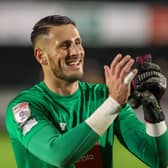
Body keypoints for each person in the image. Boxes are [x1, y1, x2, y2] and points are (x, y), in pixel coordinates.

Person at [6, 15, 168, 168]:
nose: (76, 52)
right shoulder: (25, 106)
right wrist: (113, 104)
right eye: (65, 45)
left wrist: (153, 110)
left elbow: (158, 159)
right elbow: (58, 154)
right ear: (41, 56)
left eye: (78, 42)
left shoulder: (105, 97)